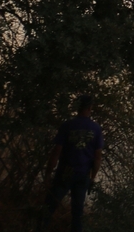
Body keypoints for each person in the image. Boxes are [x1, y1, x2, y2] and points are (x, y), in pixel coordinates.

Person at [37, 94, 104, 232]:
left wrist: (48, 174)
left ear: (77, 107)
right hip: (83, 175)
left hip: (65, 173)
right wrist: (92, 177)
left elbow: (56, 152)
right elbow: (98, 157)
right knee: (77, 214)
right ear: (90, 108)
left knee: (49, 208)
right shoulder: (96, 129)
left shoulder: (68, 125)